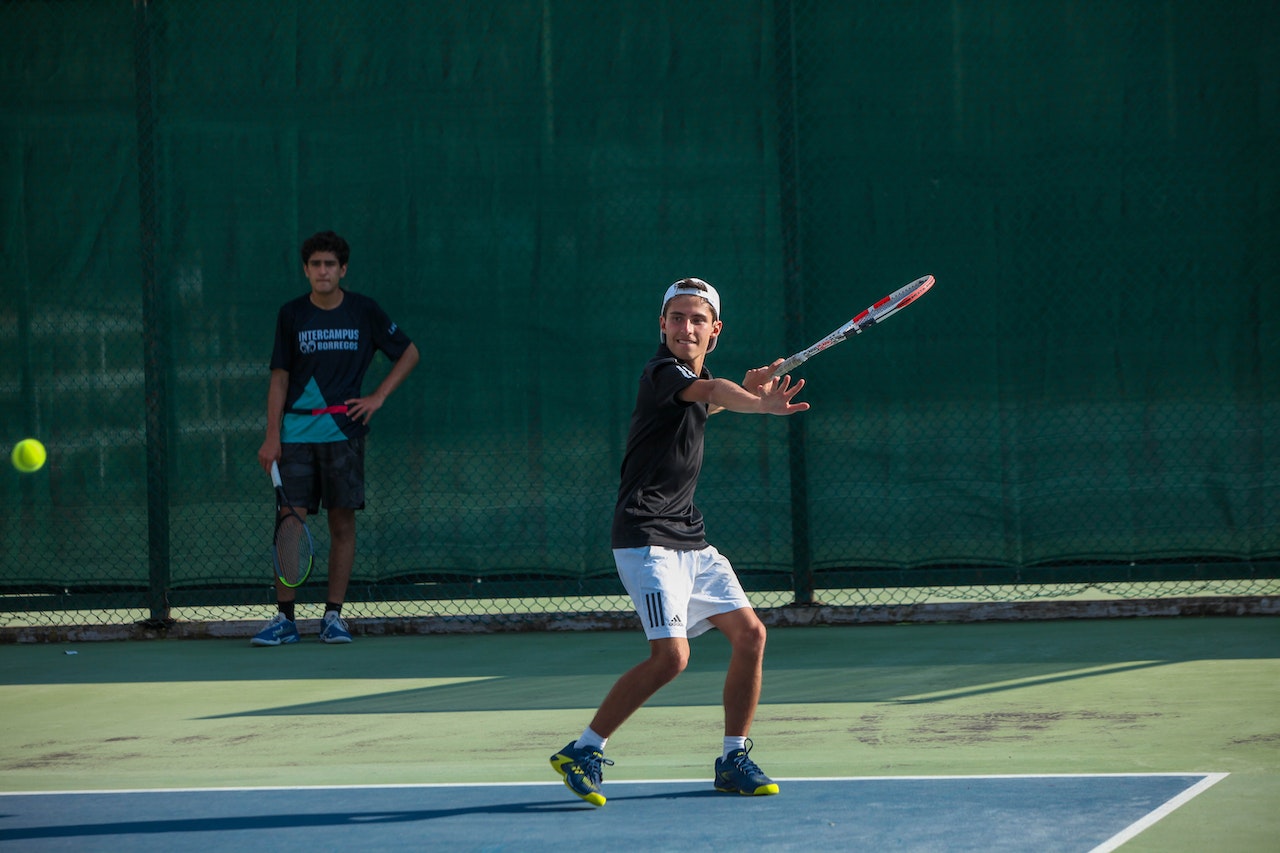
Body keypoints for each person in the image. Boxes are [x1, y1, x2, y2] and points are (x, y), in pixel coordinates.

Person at [549, 277, 809, 806]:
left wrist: (747, 389)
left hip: (688, 536)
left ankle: (733, 758)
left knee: (751, 636)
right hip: (646, 537)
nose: (685, 328)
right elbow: (712, 394)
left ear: (714, 331)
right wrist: (759, 404)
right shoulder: (660, 372)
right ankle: (584, 749)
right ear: (662, 325)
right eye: (676, 318)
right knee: (671, 657)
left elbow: (707, 401)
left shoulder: (691, 380)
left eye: (697, 320)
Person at [252, 231, 420, 646]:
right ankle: (285, 620)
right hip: (294, 435)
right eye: (315, 265)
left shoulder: (364, 310)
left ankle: (332, 617)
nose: (322, 271)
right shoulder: (291, 314)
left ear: (342, 270)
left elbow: (409, 352)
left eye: (330, 264)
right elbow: (279, 379)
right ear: (305, 270)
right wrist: (272, 436)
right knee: (290, 523)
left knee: (342, 522)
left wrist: (378, 396)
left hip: (343, 433)